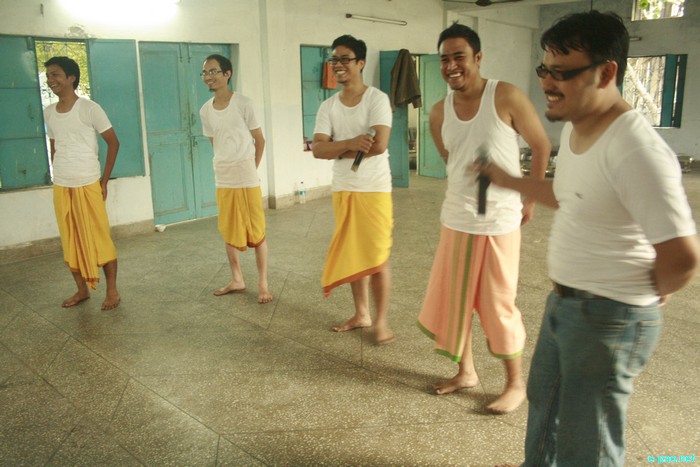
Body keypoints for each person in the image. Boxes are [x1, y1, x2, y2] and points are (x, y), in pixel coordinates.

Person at [478, 11, 699, 465]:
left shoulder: (636, 150)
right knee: (546, 405)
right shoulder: (579, 129)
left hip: (610, 318)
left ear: (606, 72)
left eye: (562, 72)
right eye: (545, 69)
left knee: (588, 441)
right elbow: (570, 195)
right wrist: (509, 181)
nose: (547, 82)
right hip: (566, 304)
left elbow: (682, 257)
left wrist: (642, 294)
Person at [416, 23, 551, 414]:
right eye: (444, 59)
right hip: (457, 219)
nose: (451, 66)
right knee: (457, 302)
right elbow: (451, 159)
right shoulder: (439, 112)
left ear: (477, 57)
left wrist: (530, 199)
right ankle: (467, 372)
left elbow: (541, 145)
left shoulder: (504, 95)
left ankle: (515, 384)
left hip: (499, 221)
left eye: (459, 56)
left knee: (498, 304)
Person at [312, 35, 395, 345]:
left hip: (374, 189)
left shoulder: (377, 99)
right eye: (334, 59)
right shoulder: (328, 106)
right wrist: (351, 144)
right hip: (344, 188)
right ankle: (362, 314)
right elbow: (318, 149)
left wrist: (336, 149)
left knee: (376, 255)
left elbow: (379, 145)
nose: (338, 65)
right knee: (354, 253)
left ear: (361, 62)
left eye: (345, 59)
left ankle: (381, 321)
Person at [44, 56, 121, 311]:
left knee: (100, 238)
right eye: (48, 75)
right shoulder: (49, 113)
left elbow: (113, 143)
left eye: (55, 74)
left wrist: (104, 181)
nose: (50, 80)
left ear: (71, 78)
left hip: (88, 183)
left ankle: (112, 290)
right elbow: (55, 148)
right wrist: (59, 173)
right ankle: (82, 290)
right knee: (70, 240)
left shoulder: (90, 109)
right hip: (62, 184)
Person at [199, 54, 272, 304]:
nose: (208, 77)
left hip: (247, 175)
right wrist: (227, 164)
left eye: (213, 71)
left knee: (257, 231)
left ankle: (263, 283)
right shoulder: (205, 110)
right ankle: (237, 279)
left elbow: (259, 140)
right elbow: (216, 143)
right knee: (228, 228)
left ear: (227, 74)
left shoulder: (244, 103)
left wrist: (251, 168)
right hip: (224, 177)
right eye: (205, 73)